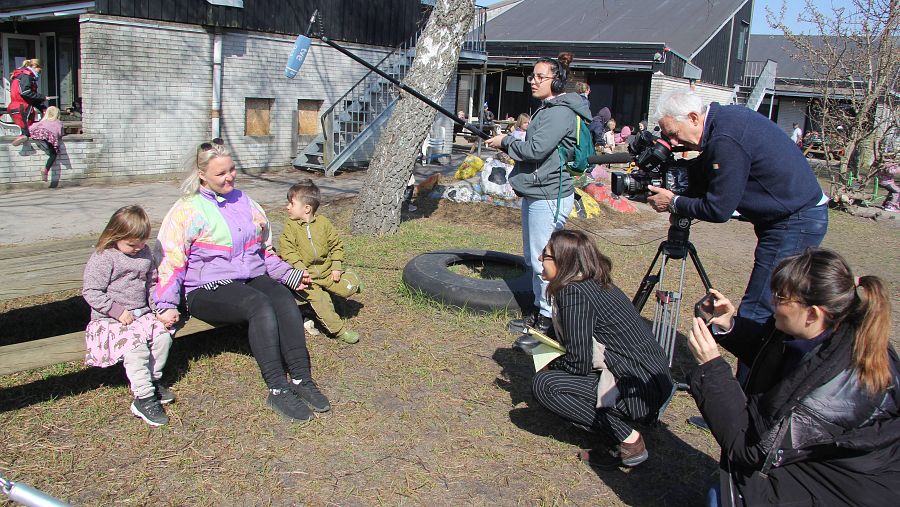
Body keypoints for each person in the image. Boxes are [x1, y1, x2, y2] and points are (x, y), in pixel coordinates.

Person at [687, 248, 900, 506]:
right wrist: (730, 325)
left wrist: (712, 369)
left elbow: (751, 449)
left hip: (845, 490)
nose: (772, 302)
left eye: (781, 297)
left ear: (813, 313)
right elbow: (775, 354)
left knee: (727, 496)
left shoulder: (836, 391)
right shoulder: (825, 331)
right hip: (819, 466)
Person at [155, 138, 329, 423]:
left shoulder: (246, 202)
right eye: (220, 173)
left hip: (248, 277)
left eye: (232, 170)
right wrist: (165, 303)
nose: (229, 177)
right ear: (202, 175)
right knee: (258, 305)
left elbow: (264, 252)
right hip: (205, 288)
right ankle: (277, 388)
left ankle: (301, 379)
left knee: (283, 298)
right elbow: (170, 261)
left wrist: (288, 274)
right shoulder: (187, 210)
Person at [648, 89, 828, 323]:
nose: (673, 142)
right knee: (776, 302)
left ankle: (754, 354)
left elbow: (718, 209)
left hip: (795, 220)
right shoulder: (724, 121)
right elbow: (705, 173)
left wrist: (673, 202)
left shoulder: (725, 138)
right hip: (790, 214)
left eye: (673, 133)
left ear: (693, 117)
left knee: (760, 309)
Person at [531, 230, 674, 469]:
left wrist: (549, 366)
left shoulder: (574, 292)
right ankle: (616, 430)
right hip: (650, 381)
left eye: (546, 256)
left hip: (638, 389)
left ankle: (628, 439)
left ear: (563, 262)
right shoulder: (591, 282)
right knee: (550, 376)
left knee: (545, 386)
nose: (539, 260)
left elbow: (579, 362)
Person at [485, 52, 589, 336]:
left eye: (540, 77)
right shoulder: (547, 108)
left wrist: (505, 142)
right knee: (535, 258)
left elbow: (535, 150)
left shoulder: (560, 112)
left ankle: (547, 320)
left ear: (557, 82)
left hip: (548, 196)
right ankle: (539, 310)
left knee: (545, 261)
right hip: (538, 192)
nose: (533, 81)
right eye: (532, 75)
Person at [82, 205, 177, 427]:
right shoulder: (104, 258)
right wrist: (116, 310)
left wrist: (159, 310)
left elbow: (151, 284)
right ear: (115, 236)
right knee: (136, 347)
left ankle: (153, 381)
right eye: (131, 244)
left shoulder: (145, 254)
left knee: (163, 337)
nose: (138, 248)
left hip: (141, 314)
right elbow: (91, 291)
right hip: (110, 318)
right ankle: (143, 398)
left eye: (142, 242)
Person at [279, 179, 363, 344]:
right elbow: (287, 250)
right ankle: (339, 331)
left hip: (326, 271)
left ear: (307, 208)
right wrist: (300, 269)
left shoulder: (323, 224)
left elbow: (336, 245)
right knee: (322, 301)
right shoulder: (291, 226)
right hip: (307, 278)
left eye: (291, 203)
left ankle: (353, 281)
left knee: (347, 288)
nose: (287, 207)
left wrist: (336, 267)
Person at [7, 58, 46, 146]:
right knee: (28, 130)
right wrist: (42, 97)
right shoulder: (26, 76)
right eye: (39, 71)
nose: (39, 74)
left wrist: (42, 106)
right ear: (35, 66)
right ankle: (24, 136)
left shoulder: (19, 75)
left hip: (15, 107)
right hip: (23, 107)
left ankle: (24, 136)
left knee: (25, 128)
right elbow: (26, 93)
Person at [28, 105, 63, 181]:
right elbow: (60, 133)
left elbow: (32, 127)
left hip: (38, 134)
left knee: (39, 138)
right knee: (53, 154)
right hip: (49, 137)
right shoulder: (58, 122)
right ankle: (46, 169)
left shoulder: (42, 121)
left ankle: (24, 136)